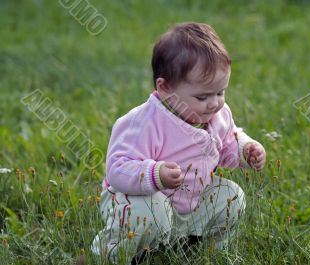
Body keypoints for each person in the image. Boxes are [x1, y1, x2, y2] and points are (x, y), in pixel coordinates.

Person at [91, 22, 266, 263]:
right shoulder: (145, 123)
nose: (214, 103)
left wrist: (245, 149)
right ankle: (112, 251)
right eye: (202, 96)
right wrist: (155, 174)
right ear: (165, 88)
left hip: (189, 204)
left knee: (231, 197)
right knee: (152, 215)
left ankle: (203, 247)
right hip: (138, 201)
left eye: (220, 92)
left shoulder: (216, 114)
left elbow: (227, 142)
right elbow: (118, 167)